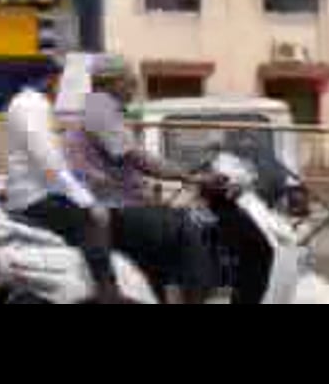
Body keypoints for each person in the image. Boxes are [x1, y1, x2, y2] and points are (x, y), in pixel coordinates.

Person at [66, 55, 221, 304]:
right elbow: (140, 159)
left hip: (117, 205)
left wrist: (184, 174)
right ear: (113, 82)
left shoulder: (100, 110)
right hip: (114, 209)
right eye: (130, 81)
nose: (134, 87)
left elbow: (132, 161)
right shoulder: (100, 110)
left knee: (154, 260)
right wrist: (188, 176)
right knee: (187, 230)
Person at [3, 53, 122, 303]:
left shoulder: (23, 103)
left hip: (32, 192)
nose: (59, 88)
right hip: (34, 197)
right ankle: (108, 292)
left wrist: (83, 183)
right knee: (90, 221)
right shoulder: (33, 106)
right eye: (58, 81)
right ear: (49, 80)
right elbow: (50, 163)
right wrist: (88, 202)